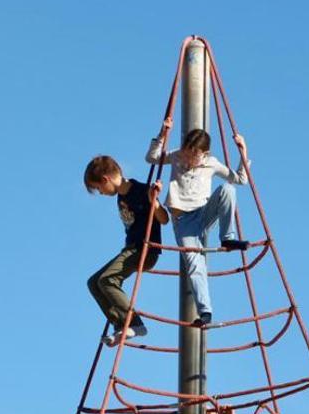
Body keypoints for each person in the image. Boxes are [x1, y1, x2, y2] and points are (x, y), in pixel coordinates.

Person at [146, 122, 251, 327]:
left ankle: (227, 238)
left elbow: (240, 179)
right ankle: (205, 312)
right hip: (183, 222)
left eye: (194, 155)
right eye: (187, 152)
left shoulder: (211, 163)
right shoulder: (176, 157)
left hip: (203, 213)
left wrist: (243, 150)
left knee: (228, 190)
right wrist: (162, 133)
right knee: (195, 264)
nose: (189, 158)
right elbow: (151, 158)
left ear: (204, 153)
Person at [83, 155, 169, 346]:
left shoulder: (142, 191)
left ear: (106, 179)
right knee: (93, 283)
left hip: (145, 250)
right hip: (131, 249)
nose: (101, 193)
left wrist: (154, 202)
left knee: (107, 279)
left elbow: (164, 219)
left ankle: (136, 324)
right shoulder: (121, 196)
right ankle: (120, 325)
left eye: (99, 188)